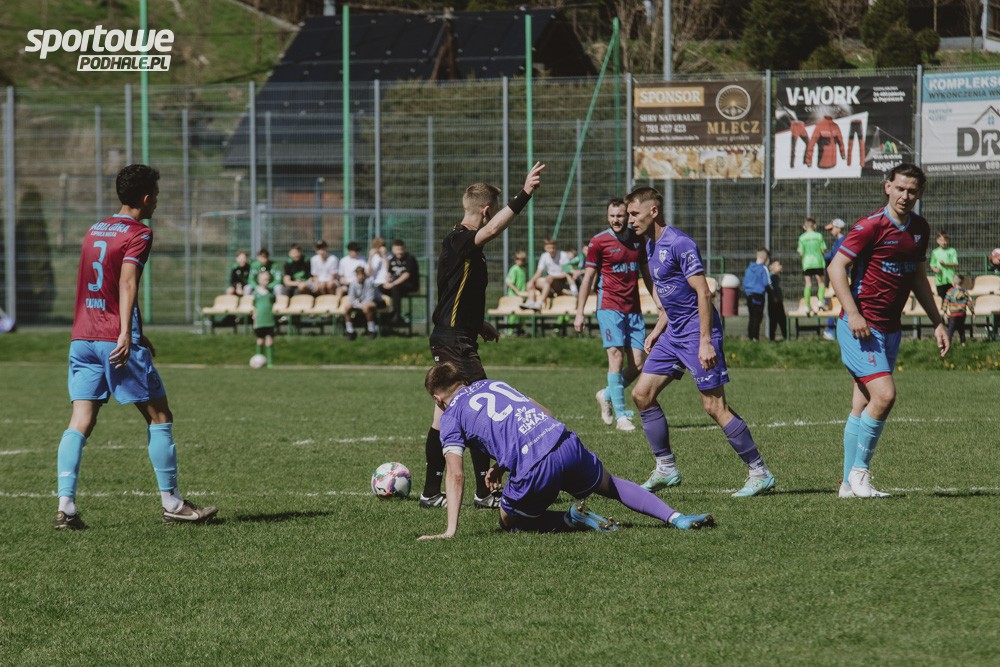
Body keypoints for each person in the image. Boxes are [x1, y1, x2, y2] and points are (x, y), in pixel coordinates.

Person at [53, 164, 218, 530]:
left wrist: (137, 330)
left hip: (83, 338)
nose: (157, 201)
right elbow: (127, 283)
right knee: (160, 417)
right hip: (114, 339)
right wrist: (126, 332)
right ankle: (173, 503)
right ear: (145, 198)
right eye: (155, 195)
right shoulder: (139, 233)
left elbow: (104, 284)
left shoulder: (95, 229)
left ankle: (66, 506)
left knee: (80, 420)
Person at [417, 363, 715, 540]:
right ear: (462, 381)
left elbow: (455, 474)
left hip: (535, 464)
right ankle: (676, 518)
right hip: (562, 440)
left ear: (437, 398)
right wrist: (504, 463)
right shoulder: (492, 384)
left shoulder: (451, 416)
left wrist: (450, 530)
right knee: (611, 485)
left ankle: (572, 518)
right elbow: (540, 411)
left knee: (508, 520)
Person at [625, 186, 776, 498]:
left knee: (714, 406)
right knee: (641, 395)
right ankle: (666, 468)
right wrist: (657, 329)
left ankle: (759, 472)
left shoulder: (679, 243)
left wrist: (705, 342)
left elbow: (703, 293)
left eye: (634, 214)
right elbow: (672, 296)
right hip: (673, 333)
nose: (630, 220)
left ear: (653, 211)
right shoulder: (650, 246)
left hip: (697, 332)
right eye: (628, 215)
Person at [422, 162, 545, 510]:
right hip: (454, 341)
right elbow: (490, 230)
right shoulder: (461, 239)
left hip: (455, 336)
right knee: (481, 408)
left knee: (443, 416)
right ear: (487, 210)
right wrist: (525, 194)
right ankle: (484, 491)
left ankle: (430, 492)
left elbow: (456, 295)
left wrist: (479, 325)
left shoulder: (463, 247)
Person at [826, 163, 949, 499]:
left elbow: (918, 279)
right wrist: (854, 314)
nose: (905, 196)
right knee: (884, 396)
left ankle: (847, 485)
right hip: (861, 328)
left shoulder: (920, 229)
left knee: (862, 403)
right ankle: (860, 473)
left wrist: (937, 321)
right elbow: (836, 267)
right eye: (900, 188)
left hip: (891, 329)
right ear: (887, 187)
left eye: (912, 191)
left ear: (919, 193)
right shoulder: (870, 226)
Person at [573, 198, 648, 432]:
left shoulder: (639, 240)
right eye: (612, 216)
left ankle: (606, 394)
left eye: (620, 216)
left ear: (628, 217)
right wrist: (579, 313)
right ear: (607, 217)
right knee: (616, 357)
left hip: (633, 309)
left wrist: (660, 304)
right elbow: (588, 279)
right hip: (608, 306)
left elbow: (647, 275)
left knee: (639, 364)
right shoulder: (598, 242)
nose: (616, 220)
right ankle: (621, 416)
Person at [381, 239, 420, 326]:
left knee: (396, 288)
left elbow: (406, 275)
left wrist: (392, 284)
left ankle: (396, 314)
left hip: (410, 285)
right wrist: (386, 283)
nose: (399, 252)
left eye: (401, 249)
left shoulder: (410, 258)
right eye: (397, 249)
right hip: (397, 285)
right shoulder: (393, 259)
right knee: (381, 288)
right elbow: (389, 273)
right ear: (393, 250)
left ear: (404, 249)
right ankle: (383, 312)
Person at [524, 239, 570, 309]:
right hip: (549, 281)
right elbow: (539, 272)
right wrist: (531, 281)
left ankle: (540, 303)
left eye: (553, 247)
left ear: (556, 247)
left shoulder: (563, 255)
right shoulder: (544, 256)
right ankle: (531, 302)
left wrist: (553, 277)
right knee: (532, 283)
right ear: (545, 248)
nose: (551, 250)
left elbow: (567, 273)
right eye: (549, 248)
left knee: (548, 280)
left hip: (561, 282)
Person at [341, 266, 384, 340]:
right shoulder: (353, 284)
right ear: (356, 275)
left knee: (367, 307)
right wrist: (360, 305)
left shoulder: (369, 282)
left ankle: (372, 330)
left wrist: (360, 305)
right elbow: (352, 299)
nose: (361, 276)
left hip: (377, 301)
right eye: (358, 275)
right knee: (347, 308)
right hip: (361, 303)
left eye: (362, 274)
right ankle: (350, 331)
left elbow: (370, 298)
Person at [822, 218, 847, 340]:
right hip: (834, 276)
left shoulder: (842, 241)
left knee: (835, 302)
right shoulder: (837, 241)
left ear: (838, 228)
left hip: (840, 277)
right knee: (830, 301)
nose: (831, 231)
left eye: (832, 229)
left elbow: (837, 258)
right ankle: (831, 329)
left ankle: (831, 330)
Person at [798, 217, 827, 312]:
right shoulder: (819, 236)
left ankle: (807, 306)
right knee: (821, 282)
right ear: (815, 226)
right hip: (818, 262)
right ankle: (821, 301)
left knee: (808, 284)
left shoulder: (802, 237)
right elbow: (823, 250)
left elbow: (801, 253)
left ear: (804, 227)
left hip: (807, 263)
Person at [743, 248, 770, 341]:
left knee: (751, 316)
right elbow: (766, 283)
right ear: (766, 257)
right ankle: (755, 337)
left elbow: (745, 282)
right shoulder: (763, 269)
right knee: (757, 317)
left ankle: (750, 336)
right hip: (758, 296)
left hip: (749, 295)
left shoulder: (748, 268)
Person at [503, 250, 532, 335]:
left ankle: (520, 330)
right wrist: (517, 291)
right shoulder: (514, 269)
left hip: (522, 296)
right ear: (515, 259)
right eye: (518, 259)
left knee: (522, 313)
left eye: (522, 260)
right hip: (514, 296)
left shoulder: (523, 269)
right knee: (513, 313)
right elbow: (508, 282)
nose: (520, 261)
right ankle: (510, 331)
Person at [251, 269, 276, 367]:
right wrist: (254, 319)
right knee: (260, 340)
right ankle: (259, 360)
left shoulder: (271, 293)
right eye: (264, 279)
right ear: (259, 280)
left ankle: (270, 362)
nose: (266, 281)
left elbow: (273, 302)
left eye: (268, 279)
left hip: (269, 320)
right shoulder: (255, 293)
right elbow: (254, 307)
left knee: (269, 341)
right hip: (260, 320)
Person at [929, 232, 958, 307]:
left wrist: (945, 264)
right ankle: (942, 314)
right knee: (942, 301)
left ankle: (951, 314)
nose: (943, 242)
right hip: (940, 281)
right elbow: (932, 265)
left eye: (945, 240)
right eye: (941, 240)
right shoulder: (935, 252)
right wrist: (935, 270)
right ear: (937, 241)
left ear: (948, 240)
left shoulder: (952, 251)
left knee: (951, 301)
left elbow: (955, 264)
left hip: (950, 280)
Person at [943, 274, 972, 347]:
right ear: (962, 283)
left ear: (953, 283)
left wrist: (945, 311)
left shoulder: (950, 291)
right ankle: (963, 343)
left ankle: (948, 342)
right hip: (962, 313)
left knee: (951, 328)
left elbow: (945, 301)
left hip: (953, 314)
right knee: (961, 328)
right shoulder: (965, 292)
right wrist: (972, 312)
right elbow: (969, 303)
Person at [767, 258, 787, 341]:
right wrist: (774, 297)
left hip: (778, 301)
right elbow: (770, 288)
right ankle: (773, 338)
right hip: (774, 302)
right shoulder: (772, 277)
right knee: (775, 320)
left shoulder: (776, 276)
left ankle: (785, 336)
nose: (781, 266)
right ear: (771, 267)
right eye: (778, 265)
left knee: (781, 319)